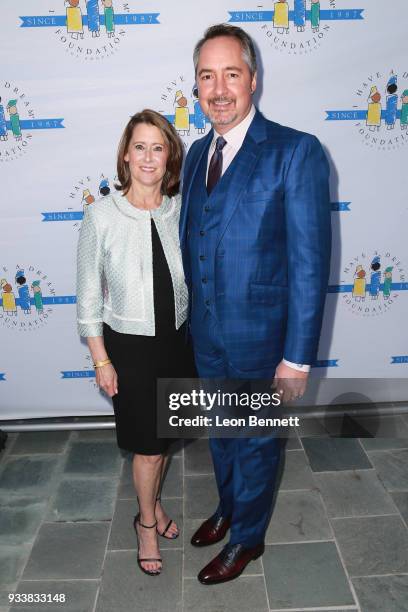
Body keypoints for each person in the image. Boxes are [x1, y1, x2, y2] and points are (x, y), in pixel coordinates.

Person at [180, 24, 331, 584]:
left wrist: (297, 358)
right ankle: (229, 507)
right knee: (221, 432)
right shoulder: (197, 154)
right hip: (208, 338)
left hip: (266, 343)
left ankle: (249, 539)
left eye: (231, 74)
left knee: (258, 442)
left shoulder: (296, 151)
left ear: (254, 80)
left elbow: (311, 265)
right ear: (196, 86)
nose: (219, 89)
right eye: (206, 76)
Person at [77, 109, 194, 576]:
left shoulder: (179, 208)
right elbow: (87, 298)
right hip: (129, 348)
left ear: (170, 157)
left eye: (158, 147)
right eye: (140, 146)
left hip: (177, 342)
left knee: (163, 440)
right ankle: (146, 522)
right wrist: (101, 360)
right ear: (126, 155)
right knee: (147, 445)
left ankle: (156, 504)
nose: (148, 157)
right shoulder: (100, 215)